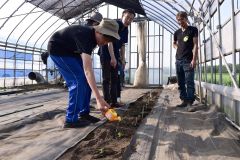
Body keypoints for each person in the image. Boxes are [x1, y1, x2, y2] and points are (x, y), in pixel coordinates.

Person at [48, 18, 120, 128]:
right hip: (58, 49)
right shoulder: (85, 36)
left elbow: (88, 71)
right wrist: (99, 99)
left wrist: (98, 98)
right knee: (78, 81)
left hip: (71, 51)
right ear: (98, 31)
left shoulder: (93, 39)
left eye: (108, 41)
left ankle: (84, 113)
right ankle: (71, 119)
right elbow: (88, 71)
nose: (104, 42)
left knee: (85, 82)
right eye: (104, 38)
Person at [98, 8, 135, 108]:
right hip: (105, 53)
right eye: (127, 17)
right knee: (106, 78)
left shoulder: (126, 29)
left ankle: (114, 102)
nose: (129, 20)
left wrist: (123, 59)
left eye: (131, 19)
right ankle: (106, 102)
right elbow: (109, 41)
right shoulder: (115, 24)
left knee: (115, 78)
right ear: (122, 16)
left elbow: (122, 44)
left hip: (115, 54)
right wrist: (113, 58)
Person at [173, 11, 198, 108]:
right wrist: (177, 47)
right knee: (181, 82)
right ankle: (183, 100)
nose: (180, 22)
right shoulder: (177, 32)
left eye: (182, 20)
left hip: (188, 60)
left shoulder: (193, 30)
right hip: (178, 60)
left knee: (189, 82)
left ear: (186, 19)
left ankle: (189, 103)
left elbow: (196, 45)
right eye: (178, 20)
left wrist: (194, 60)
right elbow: (174, 43)